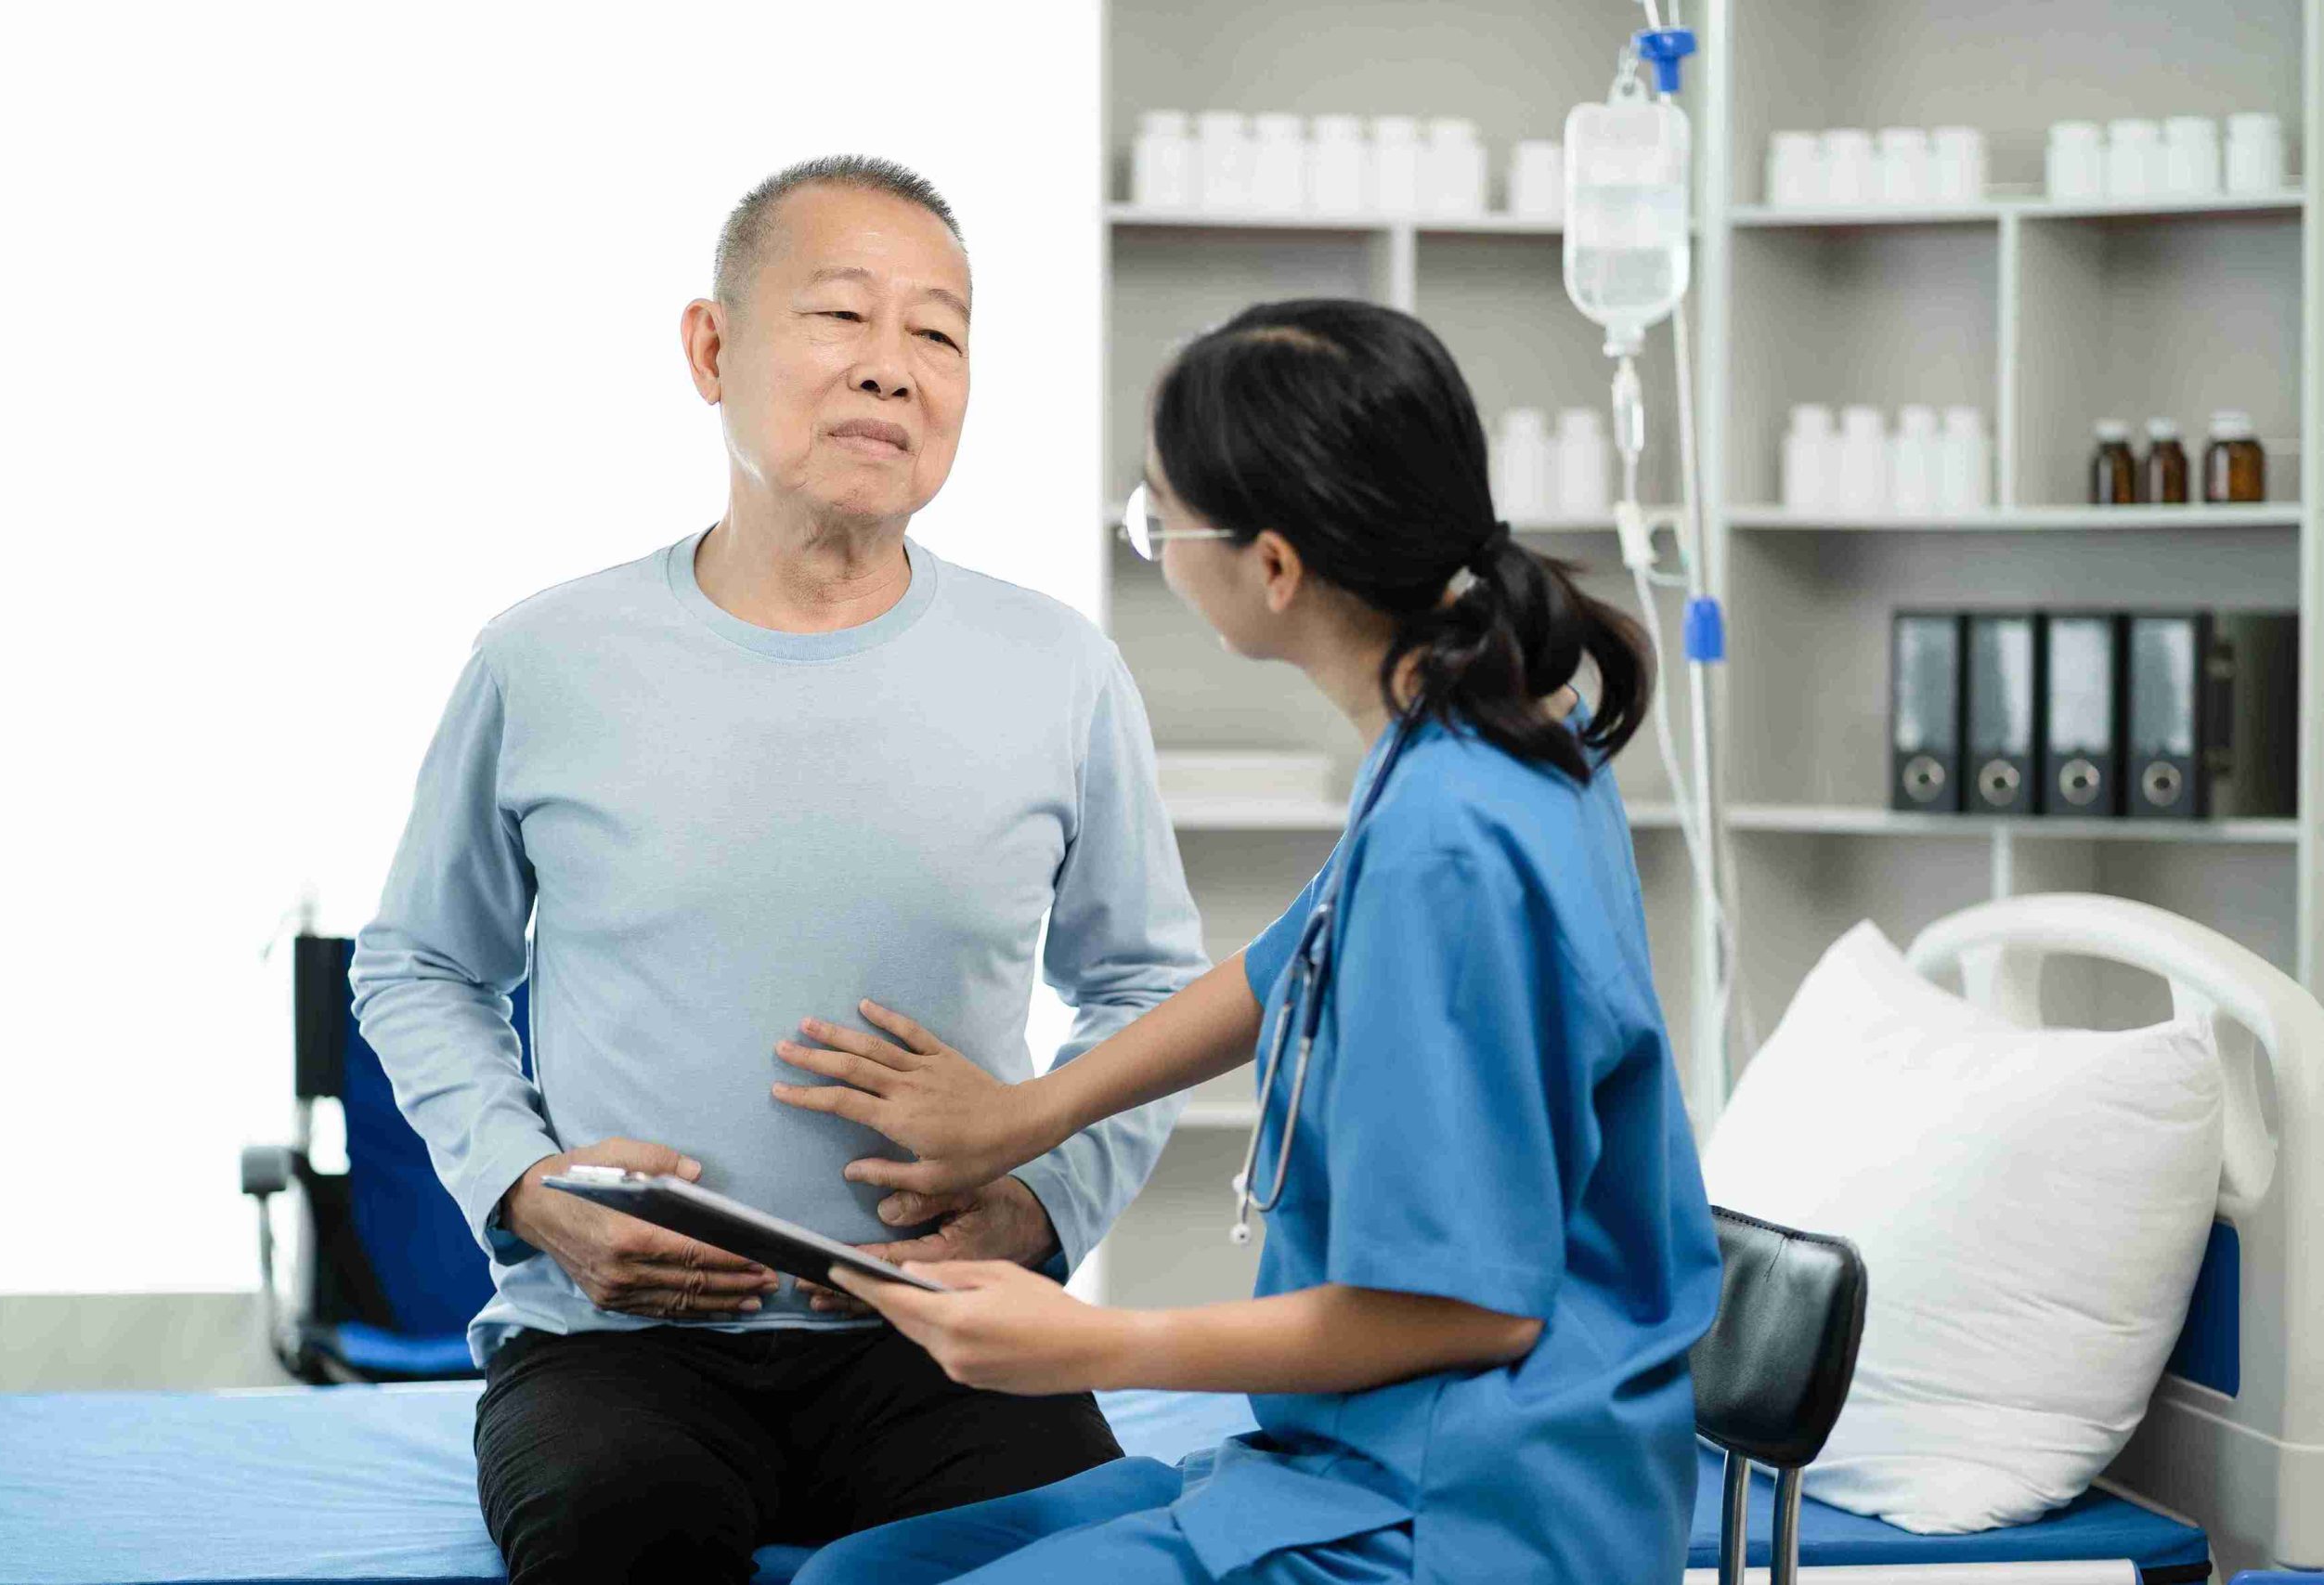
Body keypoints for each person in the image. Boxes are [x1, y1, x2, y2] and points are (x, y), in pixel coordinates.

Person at [347, 155, 1212, 1581]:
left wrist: (1045, 1204)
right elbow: (422, 964)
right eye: (841, 316)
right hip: (617, 1344)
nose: (891, 369)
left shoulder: (1057, 669)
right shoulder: (544, 657)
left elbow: (1148, 986)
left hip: (944, 1333)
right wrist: (526, 1187)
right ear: (711, 349)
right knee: (626, 1532)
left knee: (1086, 1562)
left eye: (937, 333)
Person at [773, 299, 1724, 1583]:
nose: (1151, 540)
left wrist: (1089, 1342)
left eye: (1158, 516)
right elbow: (1285, 969)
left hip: (1467, 1512)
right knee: (852, 1574)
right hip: (1375, 1456)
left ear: (1272, 568)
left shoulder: (1452, 837)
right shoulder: (1482, 736)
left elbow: (1471, 1310)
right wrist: (1023, 1117)